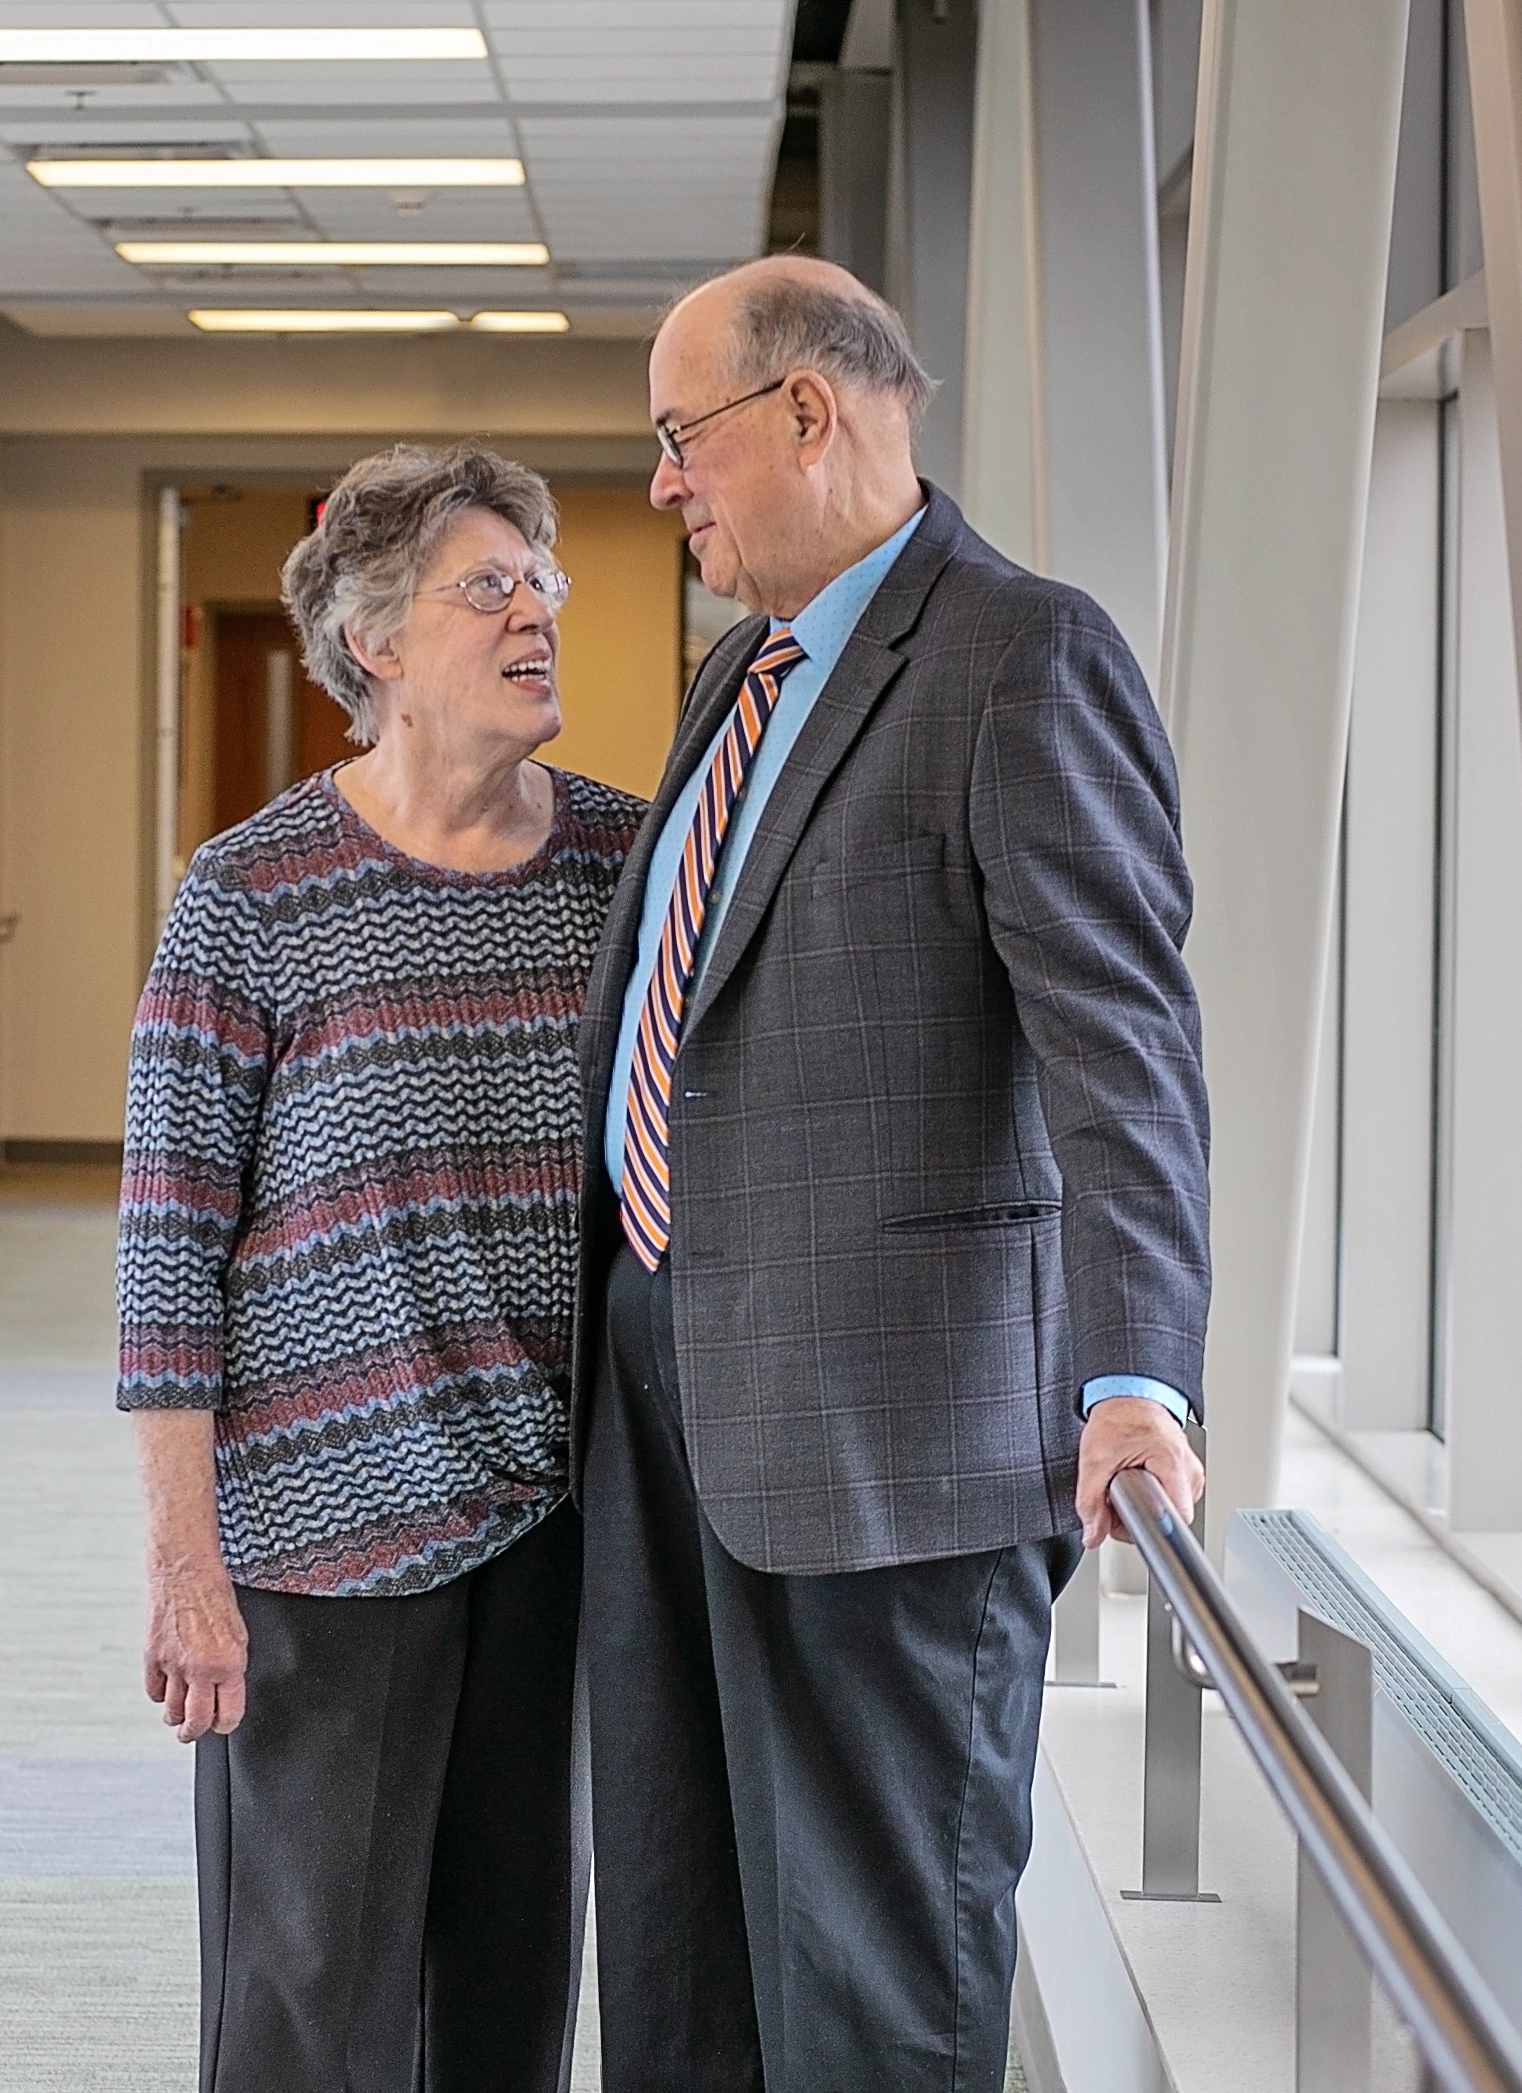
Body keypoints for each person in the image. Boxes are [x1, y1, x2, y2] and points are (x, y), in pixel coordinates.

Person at [572, 257, 1213, 2092]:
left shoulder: (1021, 655)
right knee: (683, 1944)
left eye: (678, 441)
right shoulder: (738, 673)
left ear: (804, 412)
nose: (662, 487)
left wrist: (1131, 1375)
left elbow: (1125, 1051)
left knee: (868, 1976)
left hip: (891, 1435)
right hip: (667, 1378)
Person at [114, 442, 642, 2093]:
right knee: (309, 1995)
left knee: (509, 1975)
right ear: (374, 646)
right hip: (322, 1538)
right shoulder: (252, 895)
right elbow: (167, 1257)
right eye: (487, 585)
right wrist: (184, 1566)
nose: (537, 611)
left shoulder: (623, 869)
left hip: (551, 1525)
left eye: (545, 579)